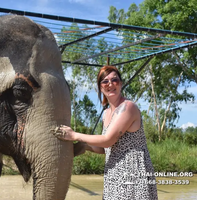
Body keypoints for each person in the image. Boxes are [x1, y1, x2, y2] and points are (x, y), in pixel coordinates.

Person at [54, 66, 158, 199]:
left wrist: (74, 135)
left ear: (120, 83)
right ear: (100, 87)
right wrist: (84, 145)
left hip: (132, 173)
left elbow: (108, 139)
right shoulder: (106, 113)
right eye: (105, 81)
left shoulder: (128, 107)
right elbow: (106, 147)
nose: (110, 84)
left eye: (114, 80)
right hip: (113, 174)